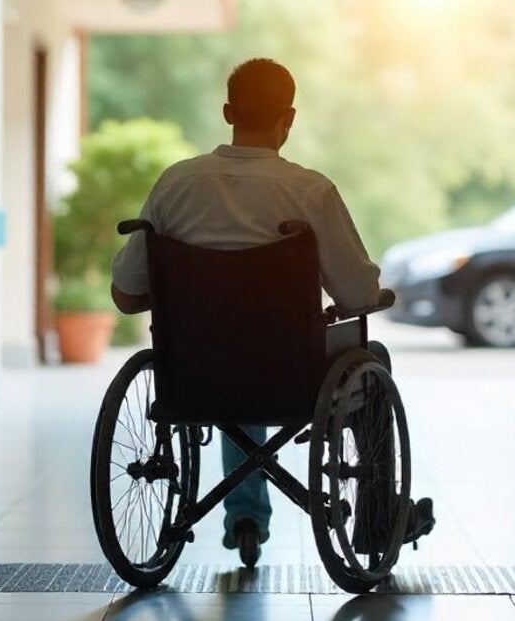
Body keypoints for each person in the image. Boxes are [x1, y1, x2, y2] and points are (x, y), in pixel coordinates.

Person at [110, 57, 433, 568]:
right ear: (290, 118)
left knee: (234, 370)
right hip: (290, 375)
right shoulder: (308, 190)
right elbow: (356, 294)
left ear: (227, 111)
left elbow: (126, 295)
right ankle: (375, 519)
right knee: (369, 357)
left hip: (193, 373)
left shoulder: (176, 185)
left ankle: (244, 516)